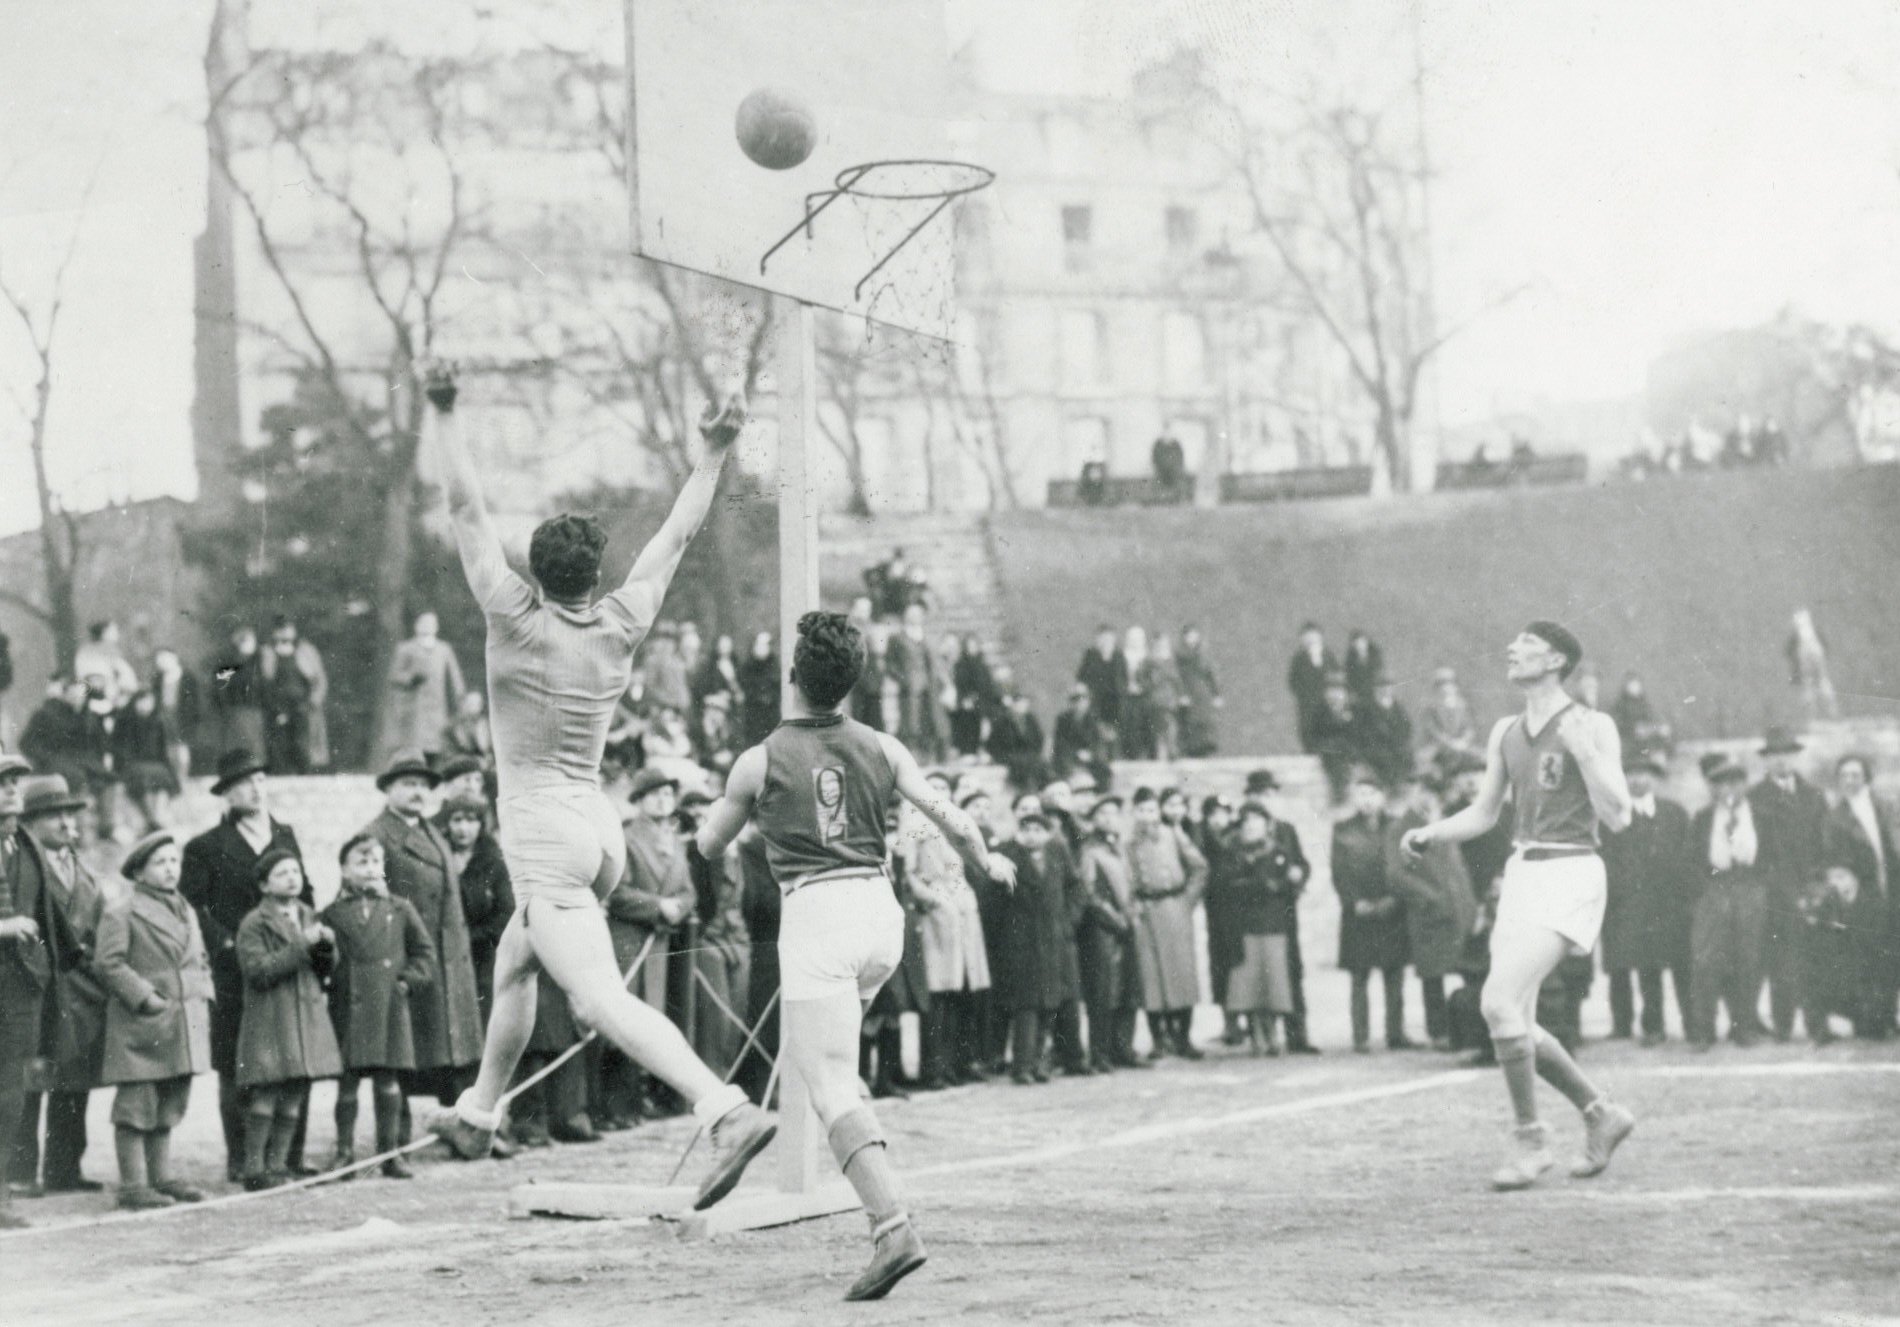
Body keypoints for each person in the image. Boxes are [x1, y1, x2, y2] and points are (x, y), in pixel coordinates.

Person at [417, 366, 773, 1207]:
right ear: (592, 572)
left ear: (535, 571)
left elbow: (467, 510)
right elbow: (676, 537)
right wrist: (715, 452)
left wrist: (445, 410)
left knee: (601, 996)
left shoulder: (510, 611)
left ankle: (719, 1105)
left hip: (546, 831)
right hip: (598, 828)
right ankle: (479, 1109)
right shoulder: (621, 618)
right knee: (516, 963)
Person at [692, 610, 1017, 1300]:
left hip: (817, 912)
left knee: (828, 1082)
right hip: (880, 910)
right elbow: (951, 817)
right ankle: (863, 1158)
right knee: (833, 1067)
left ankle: (892, 1224)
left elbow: (710, 845)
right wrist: (989, 863)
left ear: (792, 677)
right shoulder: (884, 744)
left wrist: (718, 812)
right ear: (854, 680)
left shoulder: (758, 758)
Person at [1401, 621, 1636, 1191]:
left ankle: (1530, 1139)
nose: (1511, 648)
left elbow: (1619, 814)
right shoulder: (1506, 729)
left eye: (1526, 644)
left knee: (1498, 1001)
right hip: (1522, 874)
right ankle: (1601, 1114)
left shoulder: (1592, 724)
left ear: (1556, 659)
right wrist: (1430, 832)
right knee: (1517, 1021)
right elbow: (1485, 813)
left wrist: (1587, 757)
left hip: (1573, 870)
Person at [178, 748, 307, 1182]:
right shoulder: (205, 847)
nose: (255, 787)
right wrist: (227, 943)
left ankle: (285, 1157)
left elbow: (305, 894)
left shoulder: (284, 835)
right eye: (243, 782)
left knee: (292, 1055)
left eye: (260, 780)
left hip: (286, 967)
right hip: (234, 972)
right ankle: (242, 1157)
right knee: (239, 1062)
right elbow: (193, 906)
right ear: (226, 794)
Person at [364, 750, 484, 1142]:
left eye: (422, 785)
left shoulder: (434, 831)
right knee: (404, 1053)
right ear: (389, 789)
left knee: (455, 1052)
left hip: (450, 961)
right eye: (408, 784)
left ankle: (465, 1128)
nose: (417, 792)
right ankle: (396, 1141)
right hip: (411, 959)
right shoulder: (377, 835)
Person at [95, 831, 214, 1210]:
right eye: (160, 863)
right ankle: (133, 1184)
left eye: (174, 861)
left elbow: (199, 958)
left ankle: (162, 1177)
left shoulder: (187, 909)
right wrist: (144, 997)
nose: (170, 869)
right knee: (137, 1103)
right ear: (140, 873)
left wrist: (203, 992)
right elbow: (108, 963)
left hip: (183, 1019)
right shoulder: (122, 910)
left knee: (170, 1100)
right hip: (142, 1022)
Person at [9, 775, 109, 1198]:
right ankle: (20, 1171)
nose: (68, 824)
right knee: (31, 1080)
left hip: (82, 989)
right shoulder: (24, 866)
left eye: (71, 815)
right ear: (31, 822)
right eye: (56, 816)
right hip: (42, 984)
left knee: (74, 1078)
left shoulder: (81, 867)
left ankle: (64, 1168)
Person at [0, 755, 86, 1228]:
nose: (12, 789)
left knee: (12, 1092)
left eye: (15, 782)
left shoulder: (24, 843)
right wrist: (4, 925)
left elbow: (45, 907)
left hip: (23, 988)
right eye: (2, 783)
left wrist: (73, 954)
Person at [322, 834, 436, 1178]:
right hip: (348, 1006)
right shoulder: (330, 914)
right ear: (344, 869)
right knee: (347, 1083)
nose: (370, 869)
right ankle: (344, 1154)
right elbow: (322, 962)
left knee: (389, 1081)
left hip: (388, 1005)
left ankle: (390, 1153)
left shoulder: (400, 909)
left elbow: (425, 954)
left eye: (375, 862)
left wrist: (405, 982)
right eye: (361, 862)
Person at [234, 850, 342, 1191]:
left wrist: (327, 948)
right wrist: (302, 944)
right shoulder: (254, 922)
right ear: (264, 884)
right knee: (266, 1090)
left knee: (295, 1090)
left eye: (296, 870)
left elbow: (325, 968)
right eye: (282, 873)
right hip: (272, 1018)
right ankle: (254, 1168)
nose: (292, 877)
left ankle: (279, 1165)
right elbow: (258, 971)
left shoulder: (308, 914)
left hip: (304, 1017)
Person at [606, 767, 699, 1122]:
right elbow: (617, 893)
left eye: (668, 794)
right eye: (655, 794)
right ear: (640, 801)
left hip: (662, 945)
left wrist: (679, 907)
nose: (663, 800)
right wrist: (658, 906)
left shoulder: (674, 841)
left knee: (657, 1020)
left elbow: (688, 890)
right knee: (627, 1021)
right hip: (631, 941)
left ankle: (649, 1099)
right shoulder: (626, 838)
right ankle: (619, 1107)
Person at [903, 772, 992, 1088]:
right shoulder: (914, 827)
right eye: (933, 788)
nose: (939, 794)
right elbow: (908, 874)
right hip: (937, 916)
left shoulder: (957, 824)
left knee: (964, 991)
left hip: (964, 913)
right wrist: (933, 901)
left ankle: (960, 1063)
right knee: (938, 994)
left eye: (944, 789)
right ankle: (934, 1069)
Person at [1385, 771, 1477, 1051]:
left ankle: (1471, 1032)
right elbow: (1397, 874)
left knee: (1471, 970)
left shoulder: (1443, 823)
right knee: (1433, 977)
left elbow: (1457, 868)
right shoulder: (1401, 828)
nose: (1428, 797)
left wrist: (1467, 903)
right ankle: (1439, 1033)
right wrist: (1431, 898)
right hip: (1429, 915)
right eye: (1422, 790)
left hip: (1458, 912)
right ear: (1413, 792)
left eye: (1433, 792)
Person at [1750, 727, 1829, 1041]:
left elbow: (1823, 846)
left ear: (1795, 757)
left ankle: (1817, 1025)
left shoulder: (1814, 796)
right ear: (1766, 761)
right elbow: (1758, 853)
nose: (1781, 761)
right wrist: (1785, 891)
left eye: (1787, 754)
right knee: (1780, 961)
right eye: (1774, 755)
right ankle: (1783, 1026)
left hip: (1810, 890)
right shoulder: (1755, 799)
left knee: (1814, 957)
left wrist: (1814, 888)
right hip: (1774, 893)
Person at [1686, 754, 1769, 1049]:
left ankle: (1743, 1028)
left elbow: (1771, 856)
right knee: (1707, 961)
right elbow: (1693, 859)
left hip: (1749, 888)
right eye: (1722, 783)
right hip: (1715, 889)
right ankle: (1704, 1031)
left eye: (1736, 782)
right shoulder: (1704, 818)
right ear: (1714, 788)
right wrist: (1706, 889)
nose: (1730, 789)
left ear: (1745, 785)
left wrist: (1758, 888)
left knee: (1747, 959)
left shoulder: (1760, 815)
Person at [995, 812, 1084, 1083]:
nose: (1032, 835)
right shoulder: (1008, 856)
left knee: (1050, 1003)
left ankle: (1038, 1064)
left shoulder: (1058, 853)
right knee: (1027, 1006)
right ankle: (1021, 1066)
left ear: (1047, 834)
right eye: (1027, 829)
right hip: (1022, 943)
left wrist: (1068, 921)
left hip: (1053, 940)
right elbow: (995, 900)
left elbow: (1075, 887)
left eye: (1038, 829)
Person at [1239, 770, 1320, 1054]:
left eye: (1270, 794)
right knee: (1258, 973)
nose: (1266, 799)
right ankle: (1260, 1035)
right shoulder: (1244, 830)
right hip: (1257, 913)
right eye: (1259, 794)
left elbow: (1301, 863)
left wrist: (1300, 874)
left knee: (1292, 970)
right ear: (1249, 797)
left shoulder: (1286, 829)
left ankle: (1297, 1034)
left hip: (1285, 910)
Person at [1125, 786, 1207, 1059]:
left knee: (1181, 974)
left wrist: (1187, 900)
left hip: (1174, 909)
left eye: (1151, 810)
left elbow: (1199, 867)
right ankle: (1159, 1039)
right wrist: (1133, 905)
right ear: (1134, 813)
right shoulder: (1129, 843)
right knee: (1151, 977)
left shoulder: (1174, 835)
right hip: (1146, 912)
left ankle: (1183, 1037)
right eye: (1141, 811)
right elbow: (1126, 879)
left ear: (1159, 811)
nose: (1147, 817)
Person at [1821, 754, 1899, 1039]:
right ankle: (1872, 1022)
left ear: (1866, 776)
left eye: (1856, 774)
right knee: (1867, 958)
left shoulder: (1885, 806)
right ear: (1839, 780)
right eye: (1845, 775)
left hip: (1892, 889)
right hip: (1863, 894)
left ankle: (1889, 1016)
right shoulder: (1835, 817)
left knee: (1892, 956)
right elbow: (1835, 859)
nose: (1851, 780)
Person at [1334, 773, 1409, 1052]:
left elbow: (1405, 867)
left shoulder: (1397, 827)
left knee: (1394, 975)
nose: (1366, 801)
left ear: (1383, 796)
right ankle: (1361, 1036)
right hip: (1359, 915)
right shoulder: (1342, 829)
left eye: (1372, 794)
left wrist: (1394, 898)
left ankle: (1395, 1034)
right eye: (1361, 794)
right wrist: (1355, 902)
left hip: (1392, 911)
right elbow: (1339, 872)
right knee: (1359, 977)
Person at [1221, 802, 1302, 1054]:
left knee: (1274, 982)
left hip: (1274, 924)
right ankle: (1256, 1032)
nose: (1251, 826)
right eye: (1246, 822)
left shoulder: (1279, 851)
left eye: (1257, 821)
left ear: (1267, 825)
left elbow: (1290, 884)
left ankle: (1273, 1032)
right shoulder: (1233, 853)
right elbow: (1228, 885)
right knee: (1249, 983)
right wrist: (1262, 885)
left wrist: (1280, 885)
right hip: (1245, 926)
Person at [1077, 795, 1144, 1072]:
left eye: (1114, 813)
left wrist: (1134, 912)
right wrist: (1116, 919)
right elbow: (1090, 894)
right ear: (1093, 820)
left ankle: (1123, 1048)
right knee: (1104, 993)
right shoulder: (1090, 852)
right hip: (1103, 931)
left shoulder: (1122, 849)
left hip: (1126, 927)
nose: (1108, 818)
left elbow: (1133, 885)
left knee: (1129, 991)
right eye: (1102, 813)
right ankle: (1100, 1053)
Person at [443, 791, 513, 1028]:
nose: (464, 828)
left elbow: (505, 915)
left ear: (481, 825)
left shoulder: (493, 863)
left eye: (471, 820)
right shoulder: (439, 858)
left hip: (483, 956)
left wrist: (471, 937)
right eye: (457, 820)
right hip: (445, 953)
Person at [383, 611, 467, 761]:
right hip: (415, 707)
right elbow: (394, 675)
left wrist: (460, 697)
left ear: (436, 628)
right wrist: (410, 678)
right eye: (424, 623)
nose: (427, 627)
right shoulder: (406, 648)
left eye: (431, 624)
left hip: (438, 707)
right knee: (415, 748)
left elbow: (455, 676)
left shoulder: (444, 649)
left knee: (437, 746)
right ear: (417, 626)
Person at [886, 607, 945, 763]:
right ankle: (909, 758)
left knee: (929, 720)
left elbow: (932, 663)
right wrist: (903, 678)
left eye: (918, 615)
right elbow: (890, 664)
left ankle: (927, 757)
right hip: (909, 688)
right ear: (906, 617)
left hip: (928, 687)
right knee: (910, 723)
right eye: (911, 615)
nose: (915, 618)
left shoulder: (925, 637)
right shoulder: (897, 638)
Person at [150, 648, 202, 788]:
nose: (162, 663)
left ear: (174, 658)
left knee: (182, 748)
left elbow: (195, 701)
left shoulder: (187, 677)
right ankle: (172, 778)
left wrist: (192, 717)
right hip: (164, 715)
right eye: (159, 660)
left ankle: (182, 778)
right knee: (168, 746)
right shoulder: (158, 678)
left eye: (165, 658)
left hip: (181, 716)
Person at [1286, 623, 1336, 753]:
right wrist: (1303, 693)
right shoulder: (1299, 658)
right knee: (1307, 728)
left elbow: (1336, 677)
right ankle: (1310, 752)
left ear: (1320, 637)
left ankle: (1327, 753)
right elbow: (1292, 681)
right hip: (1307, 703)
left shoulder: (1328, 656)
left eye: (1313, 637)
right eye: (1307, 637)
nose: (1310, 641)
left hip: (1326, 702)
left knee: (1327, 727)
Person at [1418, 667, 1479, 774]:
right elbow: (1433, 730)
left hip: (1461, 745)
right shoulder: (1431, 708)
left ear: (1455, 687)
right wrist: (1450, 743)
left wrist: (1463, 741)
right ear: (1436, 688)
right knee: (1426, 767)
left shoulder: (1462, 706)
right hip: (1439, 747)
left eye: (1450, 684)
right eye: (1442, 685)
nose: (1446, 688)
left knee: (1482, 761)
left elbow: (1469, 727)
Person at [1074, 625, 1124, 755]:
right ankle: (1098, 752)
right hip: (1096, 697)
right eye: (1103, 638)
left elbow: (1124, 677)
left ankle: (1114, 754)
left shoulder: (1118, 656)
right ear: (1098, 639)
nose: (1106, 641)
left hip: (1114, 698)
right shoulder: (1091, 655)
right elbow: (1081, 676)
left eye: (1109, 638)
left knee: (1113, 727)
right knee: (1096, 725)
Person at [1786, 609, 1840, 722]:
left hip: (1809, 660)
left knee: (1811, 685)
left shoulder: (1802, 635)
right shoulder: (1809, 633)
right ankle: (1828, 714)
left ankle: (1817, 716)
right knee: (1819, 682)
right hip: (1813, 659)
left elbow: (1788, 652)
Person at [1176, 626, 1223, 758]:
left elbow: (1212, 674)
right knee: (1190, 721)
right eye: (1188, 636)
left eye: (1194, 635)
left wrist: (1217, 694)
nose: (1191, 639)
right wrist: (1181, 694)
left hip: (1203, 692)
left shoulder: (1204, 654)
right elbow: (1178, 675)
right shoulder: (1180, 656)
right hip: (1188, 691)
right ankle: (1191, 750)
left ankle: (1206, 749)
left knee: (1205, 721)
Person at [738, 631, 782, 748]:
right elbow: (745, 685)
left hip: (770, 712)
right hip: (754, 712)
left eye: (765, 645)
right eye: (759, 645)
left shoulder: (774, 664)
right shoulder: (748, 666)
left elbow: (776, 685)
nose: (762, 649)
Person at [1343, 629, 1384, 710]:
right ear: (1353, 645)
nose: (1359, 646)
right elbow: (1349, 679)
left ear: (1366, 642)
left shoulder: (1375, 658)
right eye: (1356, 644)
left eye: (1362, 642)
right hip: (1358, 695)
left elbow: (1379, 676)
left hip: (1373, 693)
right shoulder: (1350, 661)